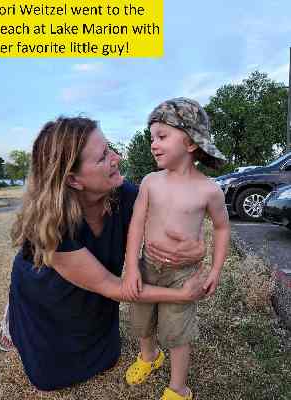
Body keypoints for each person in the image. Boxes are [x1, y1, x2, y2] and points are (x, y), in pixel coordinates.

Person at [3, 116, 207, 391]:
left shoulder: (122, 193)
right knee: (48, 380)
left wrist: (196, 245)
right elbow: (113, 287)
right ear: (73, 180)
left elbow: (176, 215)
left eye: (110, 148)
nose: (118, 158)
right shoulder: (53, 227)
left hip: (94, 287)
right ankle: (13, 319)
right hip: (46, 293)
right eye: (103, 157)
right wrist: (182, 295)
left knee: (107, 358)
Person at [123, 98, 231, 400]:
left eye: (162, 136)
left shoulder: (209, 189)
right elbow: (135, 225)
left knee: (177, 333)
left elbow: (222, 228)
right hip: (146, 266)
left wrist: (215, 269)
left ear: (191, 143)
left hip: (183, 275)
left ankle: (179, 388)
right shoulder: (150, 182)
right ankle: (149, 357)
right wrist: (132, 266)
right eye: (152, 137)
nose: (153, 145)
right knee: (142, 320)